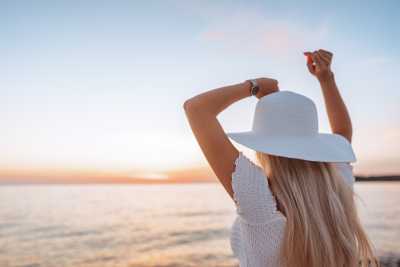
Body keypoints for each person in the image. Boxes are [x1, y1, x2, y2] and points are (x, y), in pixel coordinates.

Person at [183, 49, 378, 267]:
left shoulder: (260, 202)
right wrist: (326, 78)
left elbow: (196, 109)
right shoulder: (336, 182)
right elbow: (342, 132)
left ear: (263, 145)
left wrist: (255, 86)